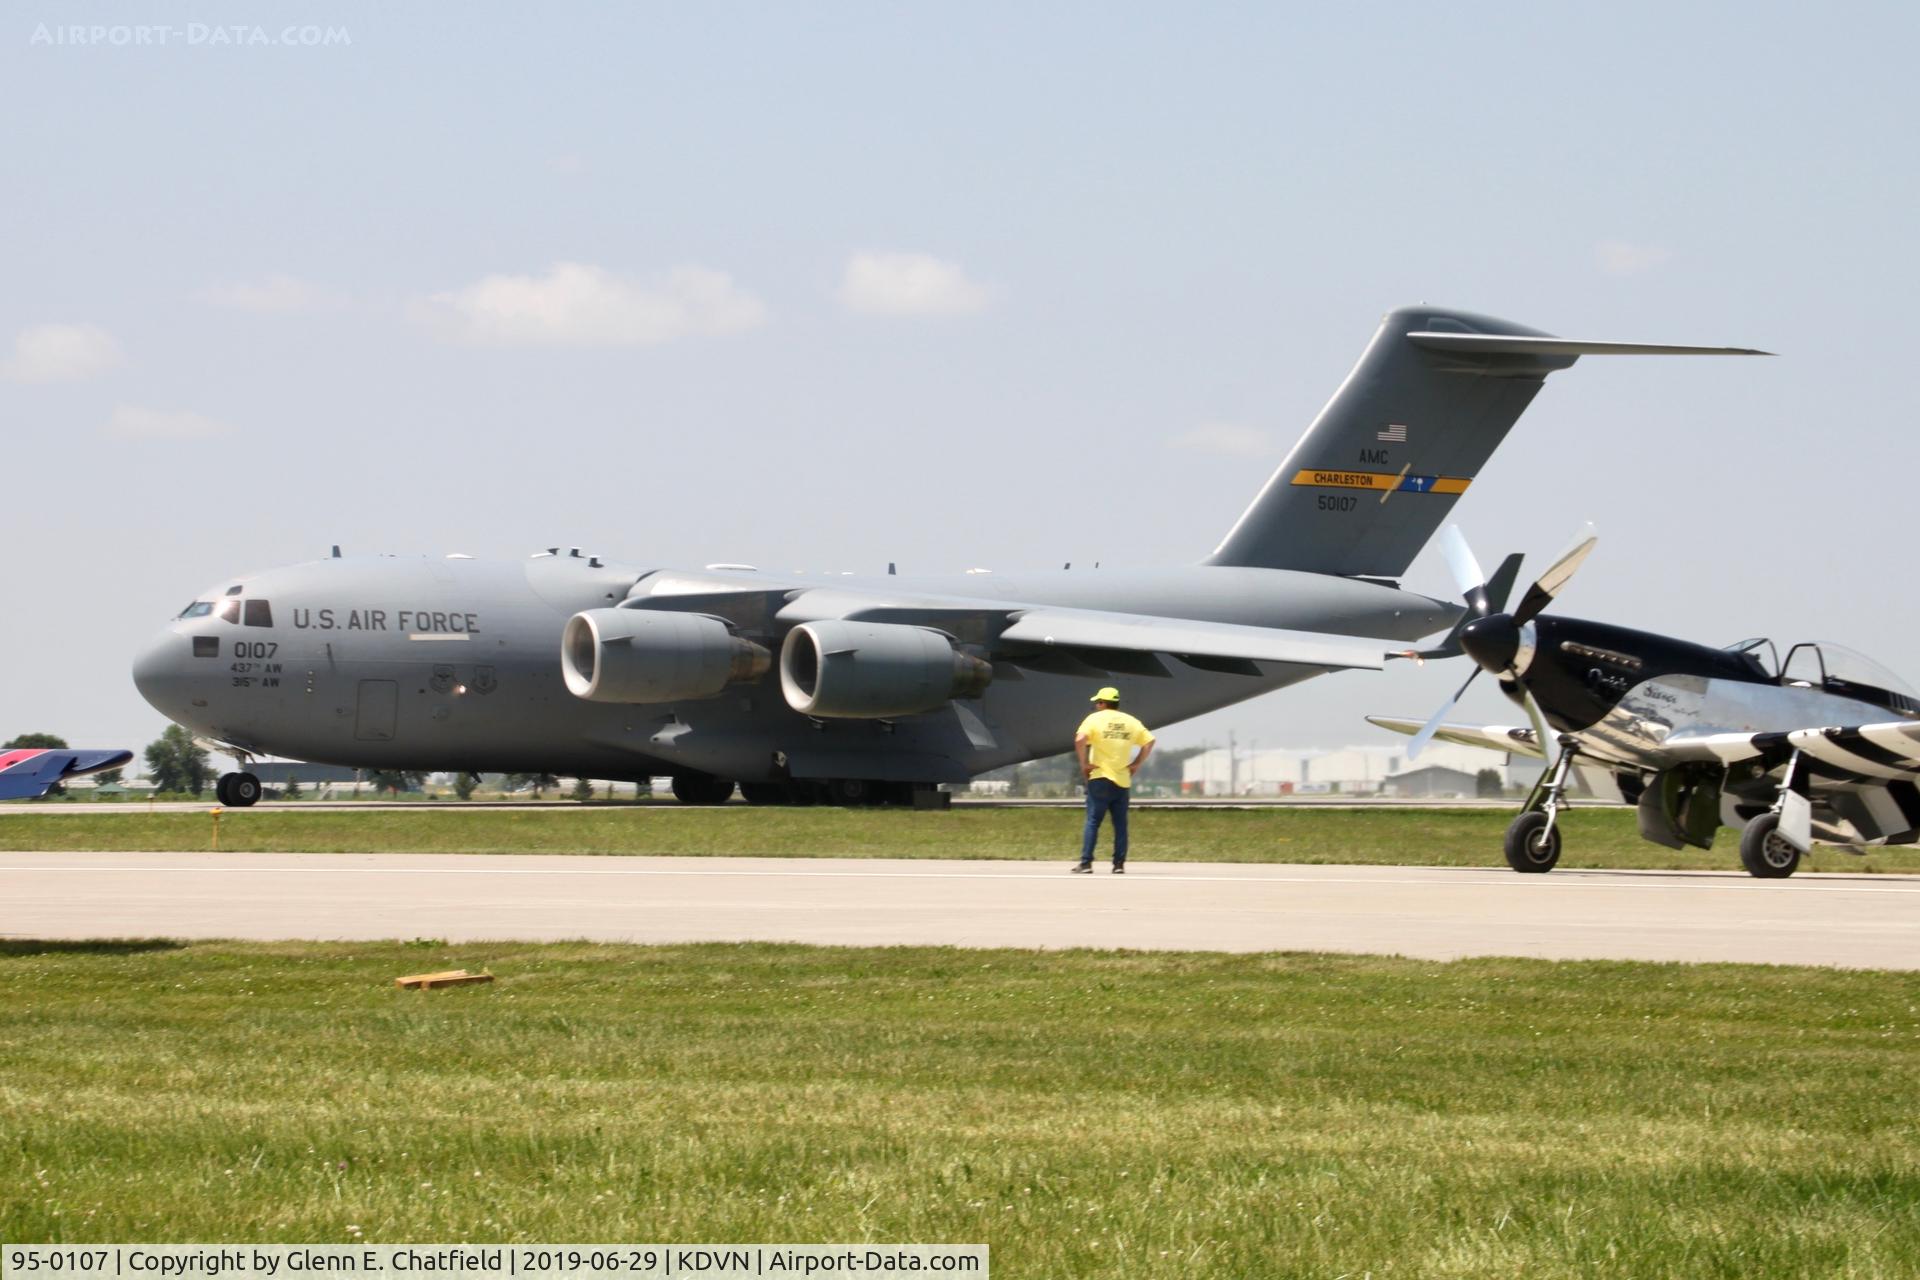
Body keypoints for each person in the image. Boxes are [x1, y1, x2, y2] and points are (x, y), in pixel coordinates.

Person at [1073, 686, 1155, 873]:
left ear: (1102, 703)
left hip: (1100, 777)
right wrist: (1136, 764)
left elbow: (1080, 739)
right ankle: (1118, 864)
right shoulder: (1130, 721)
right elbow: (1149, 741)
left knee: (1093, 821)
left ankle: (1086, 863)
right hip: (1122, 780)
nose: (1095, 706)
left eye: (1097, 703)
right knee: (1120, 824)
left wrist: (1084, 764)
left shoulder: (1094, 719)